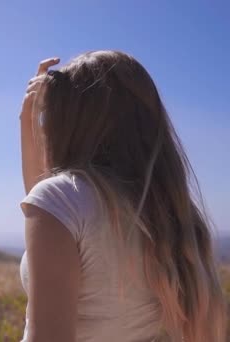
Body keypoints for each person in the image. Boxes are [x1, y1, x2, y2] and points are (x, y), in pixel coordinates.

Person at [18, 51, 227, 342]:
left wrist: (29, 117)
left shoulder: (64, 200)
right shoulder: (169, 212)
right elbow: (48, 199)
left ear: (68, 120)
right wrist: (27, 120)